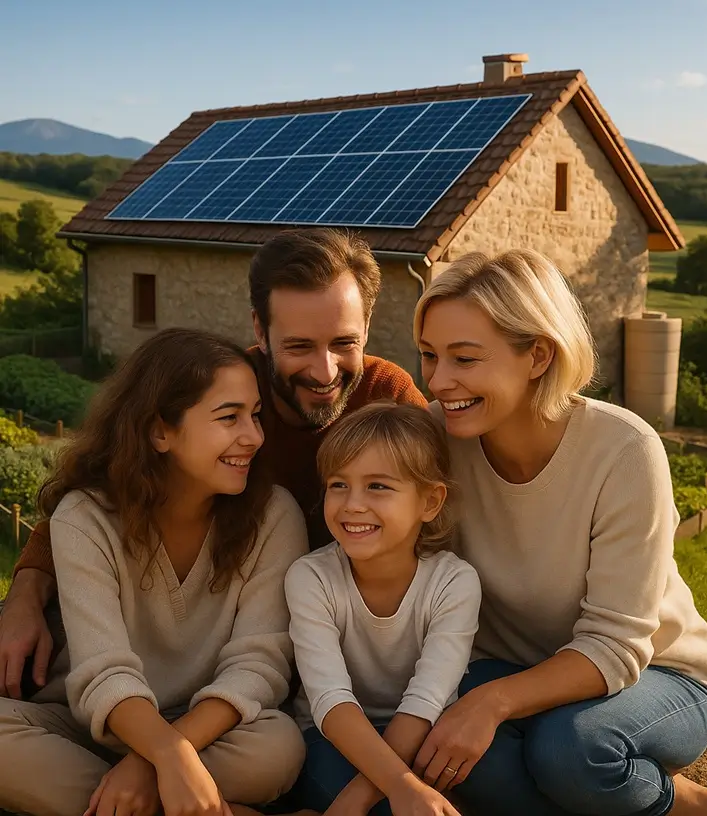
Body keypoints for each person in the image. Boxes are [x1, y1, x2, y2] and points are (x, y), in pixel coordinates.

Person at [0, 227, 427, 700]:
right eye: (300, 346)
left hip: (345, 645)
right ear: (260, 331)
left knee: (275, 746)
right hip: (235, 639)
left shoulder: (389, 398)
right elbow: (106, 487)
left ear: (367, 326)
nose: (324, 371)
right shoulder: (231, 393)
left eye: (344, 343)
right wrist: (25, 593)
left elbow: (437, 506)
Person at [409, 249, 707, 815]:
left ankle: (681, 803)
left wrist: (491, 703)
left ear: (537, 354)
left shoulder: (623, 449)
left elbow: (615, 644)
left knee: (571, 750)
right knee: (459, 761)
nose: (438, 381)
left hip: (654, 673)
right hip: (512, 666)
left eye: (464, 359)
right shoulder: (437, 438)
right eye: (430, 357)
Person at [0, 328, 311, 816]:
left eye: (254, 415)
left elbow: (258, 667)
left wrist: (160, 759)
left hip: (208, 729)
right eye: (229, 417)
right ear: (159, 430)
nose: (254, 436)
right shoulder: (86, 517)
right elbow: (103, 672)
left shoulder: (274, 515)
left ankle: (131, 801)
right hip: (95, 728)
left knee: (278, 747)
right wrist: (164, 754)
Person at [284, 403, 482, 816]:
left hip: (424, 730)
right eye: (338, 485)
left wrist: (376, 794)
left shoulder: (454, 583)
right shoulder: (311, 578)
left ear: (430, 501)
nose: (353, 504)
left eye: (378, 486)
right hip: (335, 736)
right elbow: (330, 698)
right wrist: (397, 787)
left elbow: (428, 698)